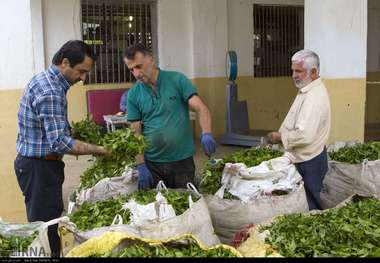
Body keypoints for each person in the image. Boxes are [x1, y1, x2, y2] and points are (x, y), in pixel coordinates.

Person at [14, 40, 111, 257]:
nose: (83, 78)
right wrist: (99, 149)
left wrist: (75, 133)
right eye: (81, 71)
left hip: (36, 165)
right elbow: (59, 142)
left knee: (46, 223)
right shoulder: (51, 92)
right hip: (40, 168)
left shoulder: (46, 80)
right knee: (46, 228)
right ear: (65, 63)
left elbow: (51, 130)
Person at [124, 43, 216, 189]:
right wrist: (141, 164)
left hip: (182, 162)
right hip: (152, 164)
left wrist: (207, 132)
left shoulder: (177, 80)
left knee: (185, 205)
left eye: (139, 66)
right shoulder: (134, 94)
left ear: (151, 60)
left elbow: (201, 108)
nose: (136, 73)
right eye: (131, 70)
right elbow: (135, 133)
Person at [267, 49, 331, 211]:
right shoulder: (307, 89)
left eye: (299, 71)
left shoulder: (314, 97)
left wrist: (280, 137)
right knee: (307, 200)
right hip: (303, 157)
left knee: (313, 202)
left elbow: (305, 135)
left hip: (310, 160)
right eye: (293, 70)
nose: (294, 75)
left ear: (314, 72)